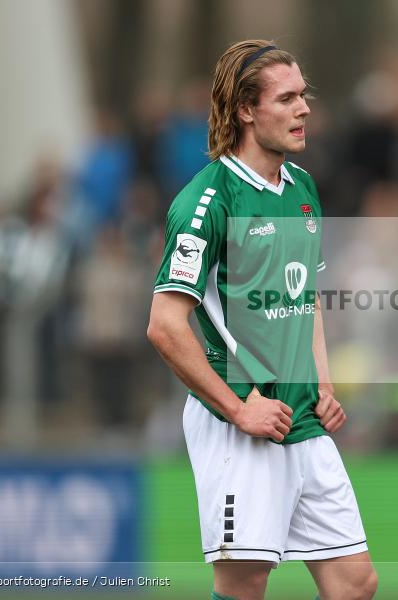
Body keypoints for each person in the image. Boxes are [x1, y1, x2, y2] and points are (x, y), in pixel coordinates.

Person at [147, 40, 377, 600]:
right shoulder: (207, 200)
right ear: (247, 110)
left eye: (305, 96)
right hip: (240, 422)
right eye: (288, 98)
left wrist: (322, 382)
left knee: (355, 583)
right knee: (244, 585)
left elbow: (307, 298)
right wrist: (238, 407)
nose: (304, 109)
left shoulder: (302, 189)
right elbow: (164, 325)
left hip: (302, 417)